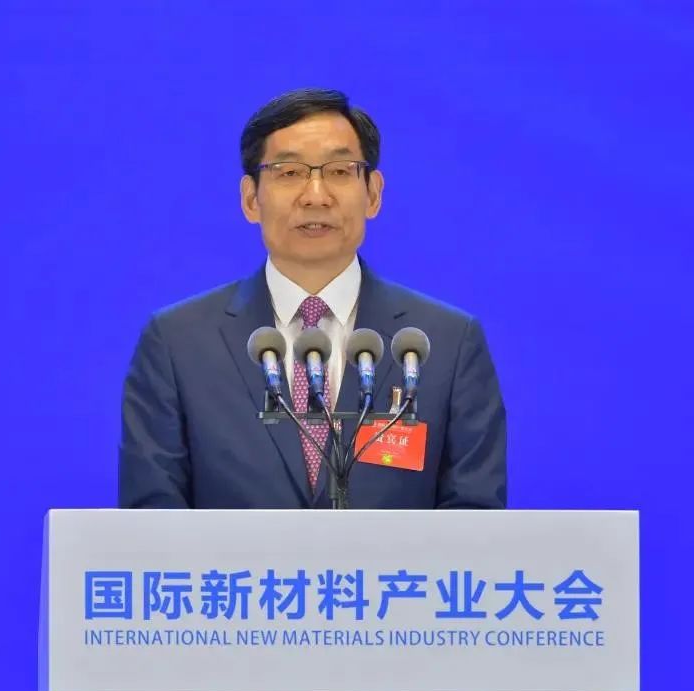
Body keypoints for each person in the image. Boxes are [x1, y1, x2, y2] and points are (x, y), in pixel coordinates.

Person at [118, 88, 506, 509]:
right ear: (250, 199)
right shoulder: (178, 343)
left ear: (373, 194)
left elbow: (476, 520)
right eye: (289, 173)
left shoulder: (446, 343)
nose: (316, 195)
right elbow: (151, 522)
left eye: (339, 171)